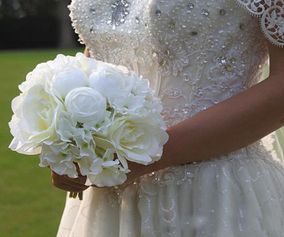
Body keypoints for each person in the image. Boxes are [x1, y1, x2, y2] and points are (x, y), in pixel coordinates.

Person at [53, 0, 284, 236]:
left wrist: (147, 156)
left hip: (212, 192)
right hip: (110, 196)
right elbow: (102, 50)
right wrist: (71, 141)